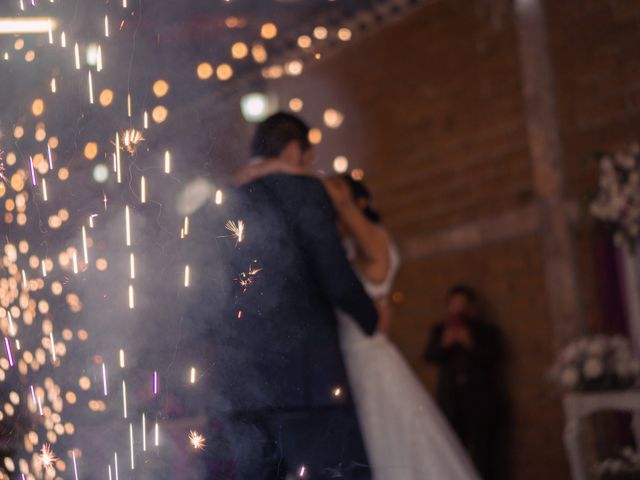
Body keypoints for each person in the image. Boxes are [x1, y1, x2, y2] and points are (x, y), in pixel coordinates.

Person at [237, 162, 480, 479]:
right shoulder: (336, 252)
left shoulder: (377, 243)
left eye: (336, 190)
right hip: (341, 364)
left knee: (389, 443)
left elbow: (354, 266)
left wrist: (287, 171)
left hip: (369, 360)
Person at [198, 112, 383, 479]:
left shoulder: (220, 202)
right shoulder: (304, 190)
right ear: (295, 149)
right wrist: (370, 317)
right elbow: (334, 273)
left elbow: (208, 295)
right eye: (308, 159)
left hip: (241, 387)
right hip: (305, 380)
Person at [424, 286, 508, 480]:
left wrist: (470, 343)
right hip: (451, 404)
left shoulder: (486, 331)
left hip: (481, 404)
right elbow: (429, 356)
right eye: (454, 304)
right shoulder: (440, 330)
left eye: (462, 304)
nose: (457, 309)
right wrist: (444, 344)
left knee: (485, 460)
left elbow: (495, 357)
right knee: (453, 457)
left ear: (471, 307)